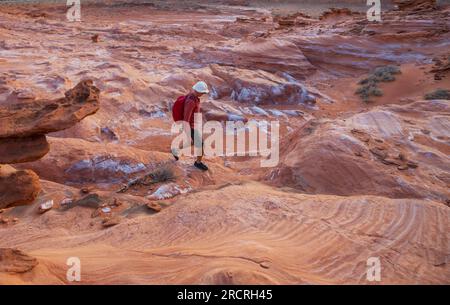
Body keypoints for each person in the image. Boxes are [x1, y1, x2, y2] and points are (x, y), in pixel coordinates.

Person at [174, 81, 209, 171]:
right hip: (190, 126)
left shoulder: (194, 97)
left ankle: (175, 149)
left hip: (193, 125)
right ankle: (198, 163)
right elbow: (187, 116)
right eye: (203, 92)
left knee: (192, 142)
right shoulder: (191, 101)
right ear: (197, 91)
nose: (203, 94)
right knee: (200, 144)